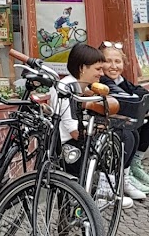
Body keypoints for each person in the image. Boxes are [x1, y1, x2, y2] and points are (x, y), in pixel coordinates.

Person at [51, 43, 138, 207]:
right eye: (98, 69)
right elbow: (74, 130)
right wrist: (99, 128)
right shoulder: (66, 88)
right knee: (122, 137)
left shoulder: (85, 87)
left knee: (130, 133)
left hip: (79, 138)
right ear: (83, 68)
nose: (101, 73)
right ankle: (104, 191)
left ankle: (113, 185)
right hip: (68, 146)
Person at [99, 39, 149, 194]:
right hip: (105, 124)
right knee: (129, 133)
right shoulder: (102, 81)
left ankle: (134, 164)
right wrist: (137, 98)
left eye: (117, 61)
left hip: (121, 120)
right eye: (108, 61)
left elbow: (141, 93)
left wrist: (138, 97)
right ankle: (123, 175)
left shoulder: (120, 80)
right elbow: (129, 99)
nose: (113, 66)